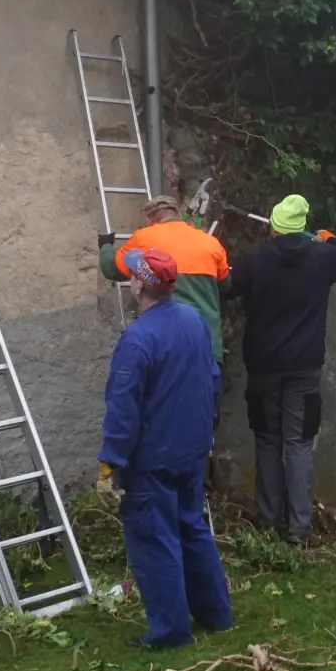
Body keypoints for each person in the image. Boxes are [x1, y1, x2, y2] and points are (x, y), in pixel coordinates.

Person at [95, 248, 232, 648]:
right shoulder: (194, 320)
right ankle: (215, 613)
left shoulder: (138, 340)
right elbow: (211, 378)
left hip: (152, 460)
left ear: (138, 284)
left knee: (154, 540)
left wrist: (109, 464)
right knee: (192, 528)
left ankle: (171, 633)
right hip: (191, 450)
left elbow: (124, 408)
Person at [224, 194, 336, 545]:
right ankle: (299, 530)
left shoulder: (255, 260)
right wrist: (328, 238)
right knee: (298, 445)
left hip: (263, 367)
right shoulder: (323, 257)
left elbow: (224, 286)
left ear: (273, 225)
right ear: (302, 227)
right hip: (304, 368)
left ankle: (267, 521)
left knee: (268, 441)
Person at [100, 195, 232, 496]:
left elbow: (112, 269)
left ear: (151, 218)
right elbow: (226, 285)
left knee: (162, 417)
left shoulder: (145, 238)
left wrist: (106, 245)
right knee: (202, 417)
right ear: (178, 215)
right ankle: (200, 488)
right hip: (206, 349)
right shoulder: (209, 244)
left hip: (165, 350)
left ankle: (162, 491)